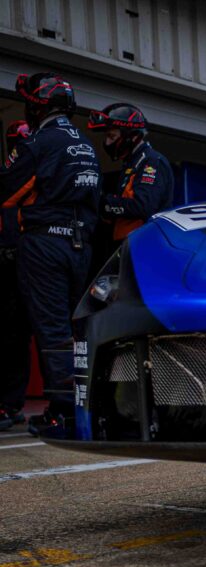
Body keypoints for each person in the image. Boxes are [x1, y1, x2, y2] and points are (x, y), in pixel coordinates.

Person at [0, 73, 101, 435]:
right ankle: (83, 407)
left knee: (52, 329)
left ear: (37, 104)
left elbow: (8, 192)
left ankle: (63, 412)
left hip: (44, 245)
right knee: (76, 328)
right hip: (79, 245)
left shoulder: (39, 143)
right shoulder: (86, 146)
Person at [89, 103, 173, 250]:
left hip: (145, 246)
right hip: (127, 245)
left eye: (112, 136)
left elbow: (142, 207)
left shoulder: (151, 161)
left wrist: (103, 203)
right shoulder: (133, 162)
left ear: (131, 136)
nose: (107, 142)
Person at [0, 120, 32, 431]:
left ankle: (12, 404)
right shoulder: (8, 177)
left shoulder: (41, 176)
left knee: (16, 336)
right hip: (8, 265)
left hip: (26, 264)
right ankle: (9, 404)